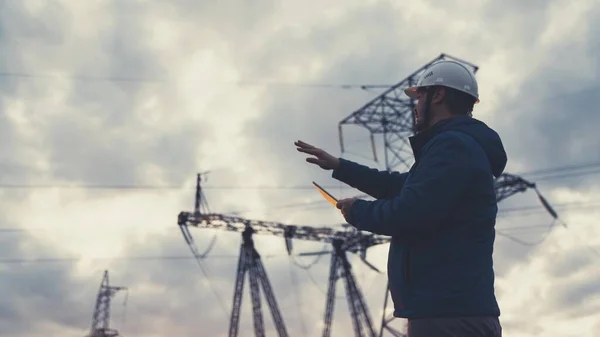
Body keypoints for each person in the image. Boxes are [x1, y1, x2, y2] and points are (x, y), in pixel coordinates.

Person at [294, 60, 506, 337]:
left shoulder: (453, 145)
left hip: (447, 315)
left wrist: (358, 211)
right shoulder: (458, 147)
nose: (415, 106)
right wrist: (339, 166)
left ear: (438, 95)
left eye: (419, 97)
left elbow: (410, 212)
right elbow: (400, 186)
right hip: (451, 310)